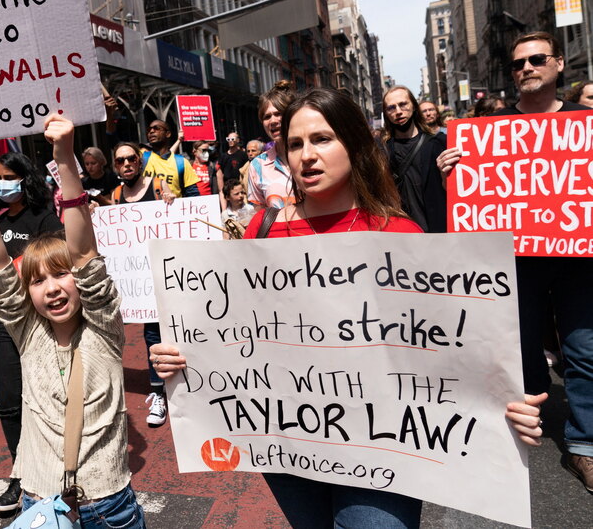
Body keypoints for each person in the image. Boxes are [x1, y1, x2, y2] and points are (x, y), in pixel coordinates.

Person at [151, 88, 546, 527]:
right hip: (286, 439)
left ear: (354, 143)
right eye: (296, 143)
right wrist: (182, 357)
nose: (306, 156)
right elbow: (234, 337)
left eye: (322, 139)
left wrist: (502, 405)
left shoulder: (399, 233)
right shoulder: (262, 231)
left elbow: (451, 350)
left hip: (384, 446)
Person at [0, 115, 147, 529]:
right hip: (39, 505)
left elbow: (85, 254)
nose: (52, 289)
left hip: (108, 507)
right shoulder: (26, 332)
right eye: (37, 281)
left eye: (61, 275)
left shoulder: (104, 330)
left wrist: (65, 157)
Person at [438, 31, 593, 492]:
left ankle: (585, 446)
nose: (526, 68)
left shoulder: (586, 123)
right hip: (516, 260)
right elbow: (474, 198)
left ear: (559, 63)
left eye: (537, 59)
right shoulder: (489, 132)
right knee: (519, 347)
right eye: (518, 63)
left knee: (584, 349)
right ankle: (529, 416)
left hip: (578, 260)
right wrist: (454, 174)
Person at [0, 152, 64, 511]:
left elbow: (57, 265)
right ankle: (20, 473)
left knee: (47, 397)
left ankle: (53, 467)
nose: (3, 184)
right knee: (8, 402)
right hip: (7, 323)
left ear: (25, 179)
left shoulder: (45, 219)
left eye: (9, 177)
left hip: (40, 324)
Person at [108, 142, 174, 428]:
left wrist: (172, 201)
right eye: (120, 160)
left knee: (180, 330)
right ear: (115, 166)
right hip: (141, 281)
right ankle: (158, 391)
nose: (126, 164)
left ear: (140, 161)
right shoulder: (116, 195)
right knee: (152, 336)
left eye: (131, 158)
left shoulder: (159, 186)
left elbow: (178, 220)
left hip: (168, 272)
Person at [381, 85, 447, 233]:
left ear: (414, 107)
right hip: (402, 232)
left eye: (403, 104)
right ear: (386, 114)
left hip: (437, 230)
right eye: (391, 108)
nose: (398, 112)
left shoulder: (438, 143)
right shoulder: (381, 150)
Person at [246, 80, 295, 210]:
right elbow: (259, 212)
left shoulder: (311, 155)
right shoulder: (258, 165)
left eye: (278, 114)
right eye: (267, 117)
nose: (273, 121)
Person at [141, 120, 200, 198]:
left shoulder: (181, 162)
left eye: (157, 128)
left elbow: (193, 194)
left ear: (168, 134)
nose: (151, 131)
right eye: (149, 130)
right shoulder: (141, 158)